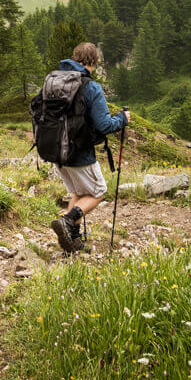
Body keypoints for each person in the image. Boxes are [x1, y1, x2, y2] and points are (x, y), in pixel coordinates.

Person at [50, 42, 130, 253]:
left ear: (75, 58)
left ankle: (72, 242)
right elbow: (104, 125)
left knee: (78, 192)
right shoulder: (91, 87)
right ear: (93, 62)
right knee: (98, 191)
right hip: (79, 151)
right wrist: (122, 119)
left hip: (56, 150)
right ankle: (68, 221)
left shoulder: (57, 81)